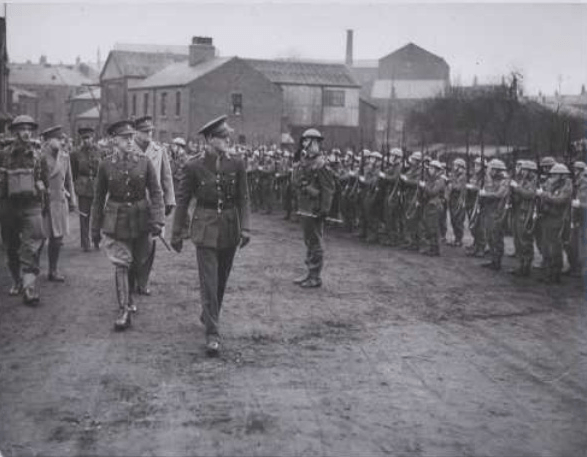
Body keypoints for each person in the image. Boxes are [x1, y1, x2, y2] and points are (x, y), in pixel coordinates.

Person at [170, 115, 251, 356]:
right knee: (209, 280)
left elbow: (243, 198)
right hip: (204, 227)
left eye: (228, 136)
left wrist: (245, 227)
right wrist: (177, 233)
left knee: (221, 280)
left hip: (229, 227)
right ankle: (213, 333)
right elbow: (183, 202)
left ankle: (209, 314)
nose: (227, 140)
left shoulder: (237, 164)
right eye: (222, 137)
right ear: (209, 139)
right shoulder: (193, 166)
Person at [91, 120, 165, 331]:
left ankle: (130, 295)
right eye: (125, 138)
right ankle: (124, 309)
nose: (130, 141)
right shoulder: (105, 165)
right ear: (114, 140)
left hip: (141, 219)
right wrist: (94, 228)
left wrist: (158, 219)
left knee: (137, 261)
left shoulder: (144, 162)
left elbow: (156, 191)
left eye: (131, 137)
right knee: (122, 263)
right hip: (117, 219)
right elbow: (98, 199)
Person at [0, 115, 48, 304]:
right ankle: (16, 280)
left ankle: (29, 289)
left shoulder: (38, 155)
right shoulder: (4, 154)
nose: (26, 133)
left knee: (32, 246)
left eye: (29, 129)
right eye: (22, 129)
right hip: (9, 207)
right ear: (15, 132)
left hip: (32, 206)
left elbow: (44, 180)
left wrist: (42, 190)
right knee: (11, 247)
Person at [132, 116, 176, 296]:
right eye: (144, 131)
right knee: (134, 242)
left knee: (151, 245)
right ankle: (132, 278)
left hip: (154, 204)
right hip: (134, 203)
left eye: (150, 131)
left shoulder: (159, 150)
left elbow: (166, 176)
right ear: (136, 132)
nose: (148, 134)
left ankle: (143, 281)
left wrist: (170, 200)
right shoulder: (129, 148)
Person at [292, 128, 335, 288]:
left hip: (315, 208)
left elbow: (328, 189)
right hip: (305, 206)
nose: (304, 144)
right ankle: (310, 272)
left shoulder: (321, 163)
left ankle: (315, 276)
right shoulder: (305, 161)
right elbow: (297, 182)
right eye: (303, 141)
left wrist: (324, 210)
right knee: (309, 240)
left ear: (315, 143)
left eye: (307, 141)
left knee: (315, 241)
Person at [40, 125, 77, 281]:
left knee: (58, 239)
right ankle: (31, 271)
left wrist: (72, 199)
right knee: (39, 239)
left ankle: (53, 270)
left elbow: (69, 180)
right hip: (45, 202)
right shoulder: (40, 156)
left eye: (62, 139)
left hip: (60, 201)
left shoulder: (65, 156)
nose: (62, 142)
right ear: (48, 141)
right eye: (58, 139)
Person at [536, 163, 573, 283]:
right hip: (547, 217)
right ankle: (548, 272)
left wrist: (544, 195)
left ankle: (555, 274)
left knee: (555, 247)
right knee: (546, 246)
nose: (552, 176)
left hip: (558, 219)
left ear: (562, 175)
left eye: (555, 174)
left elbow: (559, 200)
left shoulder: (567, 186)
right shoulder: (553, 185)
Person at [70, 126, 100, 252]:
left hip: (97, 187)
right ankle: (85, 243)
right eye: (84, 138)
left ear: (93, 138)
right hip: (83, 187)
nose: (87, 140)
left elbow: (102, 169)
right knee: (84, 216)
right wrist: (77, 185)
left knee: (97, 214)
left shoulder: (99, 151)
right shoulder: (75, 153)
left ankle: (96, 239)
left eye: (88, 138)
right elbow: (73, 172)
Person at [479, 159, 510, 271]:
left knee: (496, 236)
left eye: (491, 169)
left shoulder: (504, 181)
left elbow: (499, 195)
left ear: (496, 170)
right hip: (490, 211)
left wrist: (486, 194)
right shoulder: (492, 179)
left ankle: (497, 261)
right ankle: (493, 259)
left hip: (498, 212)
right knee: (489, 235)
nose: (489, 171)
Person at [508, 160, 538, 277]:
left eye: (525, 170)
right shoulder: (523, 181)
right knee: (517, 238)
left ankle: (526, 266)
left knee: (525, 239)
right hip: (517, 210)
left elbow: (529, 194)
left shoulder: (534, 182)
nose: (523, 171)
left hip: (526, 213)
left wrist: (516, 188)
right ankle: (521, 264)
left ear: (531, 171)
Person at [418, 160, 446, 256]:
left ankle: (435, 249)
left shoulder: (440, 180)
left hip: (435, 205)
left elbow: (433, 192)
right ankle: (432, 247)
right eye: (429, 168)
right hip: (429, 205)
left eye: (431, 168)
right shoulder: (432, 179)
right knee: (429, 227)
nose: (429, 170)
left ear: (436, 170)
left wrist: (424, 185)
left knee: (434, 228)